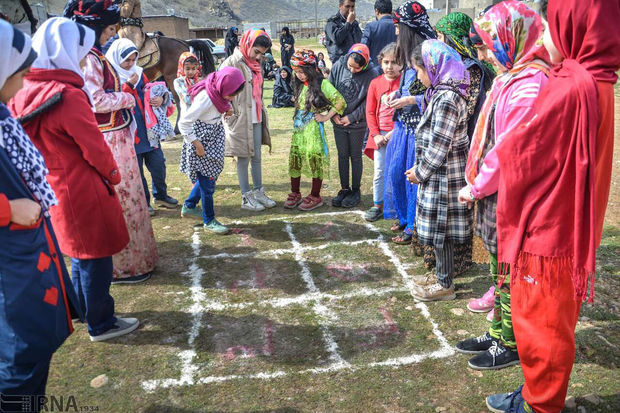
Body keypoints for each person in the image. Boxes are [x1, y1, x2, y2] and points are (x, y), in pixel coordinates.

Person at [485, 1, 620, 412]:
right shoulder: (597, 81)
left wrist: (481, 177)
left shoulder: (570, 85)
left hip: (548, 228)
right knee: (551, 318)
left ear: (574, 28)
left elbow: (522, 152)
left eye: (552, 29)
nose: (544, 39)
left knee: (540, 321)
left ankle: (540, 404)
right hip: (571, 226)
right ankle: (535, 394)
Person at [9, 17, 140, 344]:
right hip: (82, 187)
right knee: (96, 258)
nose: (84, 59)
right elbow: (94, 146)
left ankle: (85, 311)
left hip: (52, 186)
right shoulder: (67, 95)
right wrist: (113, 174)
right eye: (80, 52)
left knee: (80, 255)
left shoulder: (24, 89)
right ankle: (101, 322)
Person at [455, 0, 550, 372]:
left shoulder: (530, 82)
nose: (488, 55)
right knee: (499, 270)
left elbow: (509, 148)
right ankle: (497, 331)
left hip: (511, 194)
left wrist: (476, 186)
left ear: (513, 39)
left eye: (491, 46)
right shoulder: (512, 76)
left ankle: (509, 342)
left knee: (508, 271)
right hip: (498, 194)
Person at [0, 20, 81, 407]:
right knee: (18, 362)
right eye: (17, 72)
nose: (23, 81)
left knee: (35, 356)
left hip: (30, 256)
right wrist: (7, 208)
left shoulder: (3, 116)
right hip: (11, 271)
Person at [65, 0, 158, 284]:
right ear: (93, 29)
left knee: (131, 196)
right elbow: (96, 100)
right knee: (124, 197)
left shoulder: (95, 55)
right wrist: (129, 96)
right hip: (109, 138)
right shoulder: (91, 59)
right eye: (107, 29)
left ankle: (136, 259)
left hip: (117, 134)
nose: (110, 35)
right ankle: (126, 265)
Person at [405, 40, 472, 302]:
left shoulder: (447, 99)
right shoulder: (440, 93)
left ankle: (445, 284)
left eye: (419, 71)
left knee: (441, 231)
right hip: (437, 174)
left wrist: (418, 173)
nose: (419, 77)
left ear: (433, 67)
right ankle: (440, 275)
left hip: (443, 177)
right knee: (438, 230)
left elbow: (439, 147)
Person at [434, 11, 495, 277]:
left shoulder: (471, 67)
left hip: (466, 142)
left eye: (442, 36)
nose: (439, 41)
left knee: (461, 205)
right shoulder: (452, 64)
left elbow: (468, 111)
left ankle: (459, 263)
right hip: (456, 138)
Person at [382, 0, 435, 248]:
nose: (395, 32)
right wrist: (396, 96)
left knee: (412, 178)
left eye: (397, 27)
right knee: (395, 173)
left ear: (407, 28)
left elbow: (438, 93)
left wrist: (410, 99)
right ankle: (404, 217)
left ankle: (413, 225)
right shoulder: (408, 56)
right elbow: (407, 86)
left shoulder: (429, 54)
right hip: (403, 126)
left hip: (418, 129)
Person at [106, 38, 179, 214]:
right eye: (127, 60)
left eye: (133, 59)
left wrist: (160, 99)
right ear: (116, 58)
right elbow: (112, 100)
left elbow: (151, 90)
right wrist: (129, 85)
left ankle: (160, 195)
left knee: (158, 165)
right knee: (137, 172)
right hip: (129, 132)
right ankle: (144, 202)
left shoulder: (139, 73)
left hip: (148, 129)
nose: (131, 64)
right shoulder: (110, 77)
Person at [178, 67, 246, 234]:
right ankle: (209, 220)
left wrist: (226, 110)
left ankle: (189, 206)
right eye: (230, 95)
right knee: (208, 183)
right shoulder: (206, 98)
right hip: (200, 142)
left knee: (210, 177)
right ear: (223, 86)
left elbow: (215, 110)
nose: (231, 99)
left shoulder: (217, 93)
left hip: (212, 139)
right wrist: (197, 145)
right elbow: (183, 123)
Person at [220, 29, 276, 211]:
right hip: (240, 118)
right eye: (256, 51)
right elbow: (218, 89)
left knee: (257, 156)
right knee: (243, 158)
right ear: (247, 44)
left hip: (256, 116)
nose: (258, 56)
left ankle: (259, 191)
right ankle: (246, 196)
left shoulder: (256, 65)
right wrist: (228, 110)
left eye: (262, 53)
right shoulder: (232, 63)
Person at [285, 49, 346, 211]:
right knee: (295, 160)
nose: (299, 75)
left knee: (314, 160)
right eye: (296, 72)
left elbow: (339, 101)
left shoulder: (322, 84)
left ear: (310, 69)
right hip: (299, 130)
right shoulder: (299, 84)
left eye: (302, 71)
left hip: (313, 130)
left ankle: (315, 195)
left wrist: (326, 117)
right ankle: (295, 192)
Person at [329, 43, 378, 208]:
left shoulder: (371, 73)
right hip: (338, 121)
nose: (352, 70)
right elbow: (329, 91)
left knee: (355, 156)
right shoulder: (337, 66)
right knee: (342, 155)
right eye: (350, 66)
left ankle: (355, 190)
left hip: (357, 123)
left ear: (364, 65)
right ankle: (344, 189)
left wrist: (352, 117)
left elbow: (369, 101)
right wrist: (333, 114)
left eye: (357, 68)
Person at [363, 42, 402, 222]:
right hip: (379, 136)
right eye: (386, 62)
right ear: (380, 62)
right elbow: (370, 112)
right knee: (379, 171)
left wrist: (393, 132)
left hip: (399, 134)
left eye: (394, 62)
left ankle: (396, 204)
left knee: (398, 170)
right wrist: (376, 134)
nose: (390, 66)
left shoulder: (405, 83)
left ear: (402, 64)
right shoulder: (375, 83)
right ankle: (377, 204)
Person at [361, 0, 397, 66]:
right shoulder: (399, 26)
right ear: (391, 12)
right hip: (394, 68)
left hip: (374, 69)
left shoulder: (371, 26)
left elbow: (363, 49)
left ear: (377, 11)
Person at [174, 52, 202, 118]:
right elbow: (187, 100)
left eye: (193, 68)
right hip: (188, 116)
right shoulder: (179, 82)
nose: (191, 72)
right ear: (182, 67)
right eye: (187, 69)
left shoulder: (200, 80)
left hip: (200, 116)